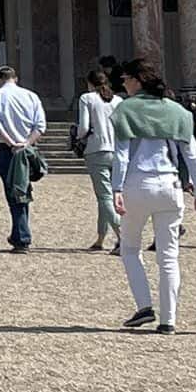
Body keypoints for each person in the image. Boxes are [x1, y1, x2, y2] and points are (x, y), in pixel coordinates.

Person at [112, 57, 196, 334]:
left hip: (137, 182)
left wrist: (116, 189)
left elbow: (120, 156)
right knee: (169, 256)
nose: (124, 84)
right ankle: (169, 320)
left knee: (130, 249)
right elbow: (193, 156)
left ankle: (145, 306)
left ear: (137, 80)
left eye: (126, 79)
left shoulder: (126, 109)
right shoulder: (176, 111)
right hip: (170, 185)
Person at [0, 65, 47, 252]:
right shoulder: (31, 96)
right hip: (28, 149)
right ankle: (19, 233)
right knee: (22, 189)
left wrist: (13, 144)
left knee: (15, 192)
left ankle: (22, 237)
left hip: (8, 150)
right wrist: (26, 144)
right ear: (15, 79)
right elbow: (40, 126)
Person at [73, 68, 119, 253]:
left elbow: (83, 127)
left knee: (104, 196)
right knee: (108, 196)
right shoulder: (118, 100)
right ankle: (100, 238)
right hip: (117, 151)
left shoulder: (87, 98)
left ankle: (123, 234)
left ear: (90, 83)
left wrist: (77, 136)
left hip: (96, 150)